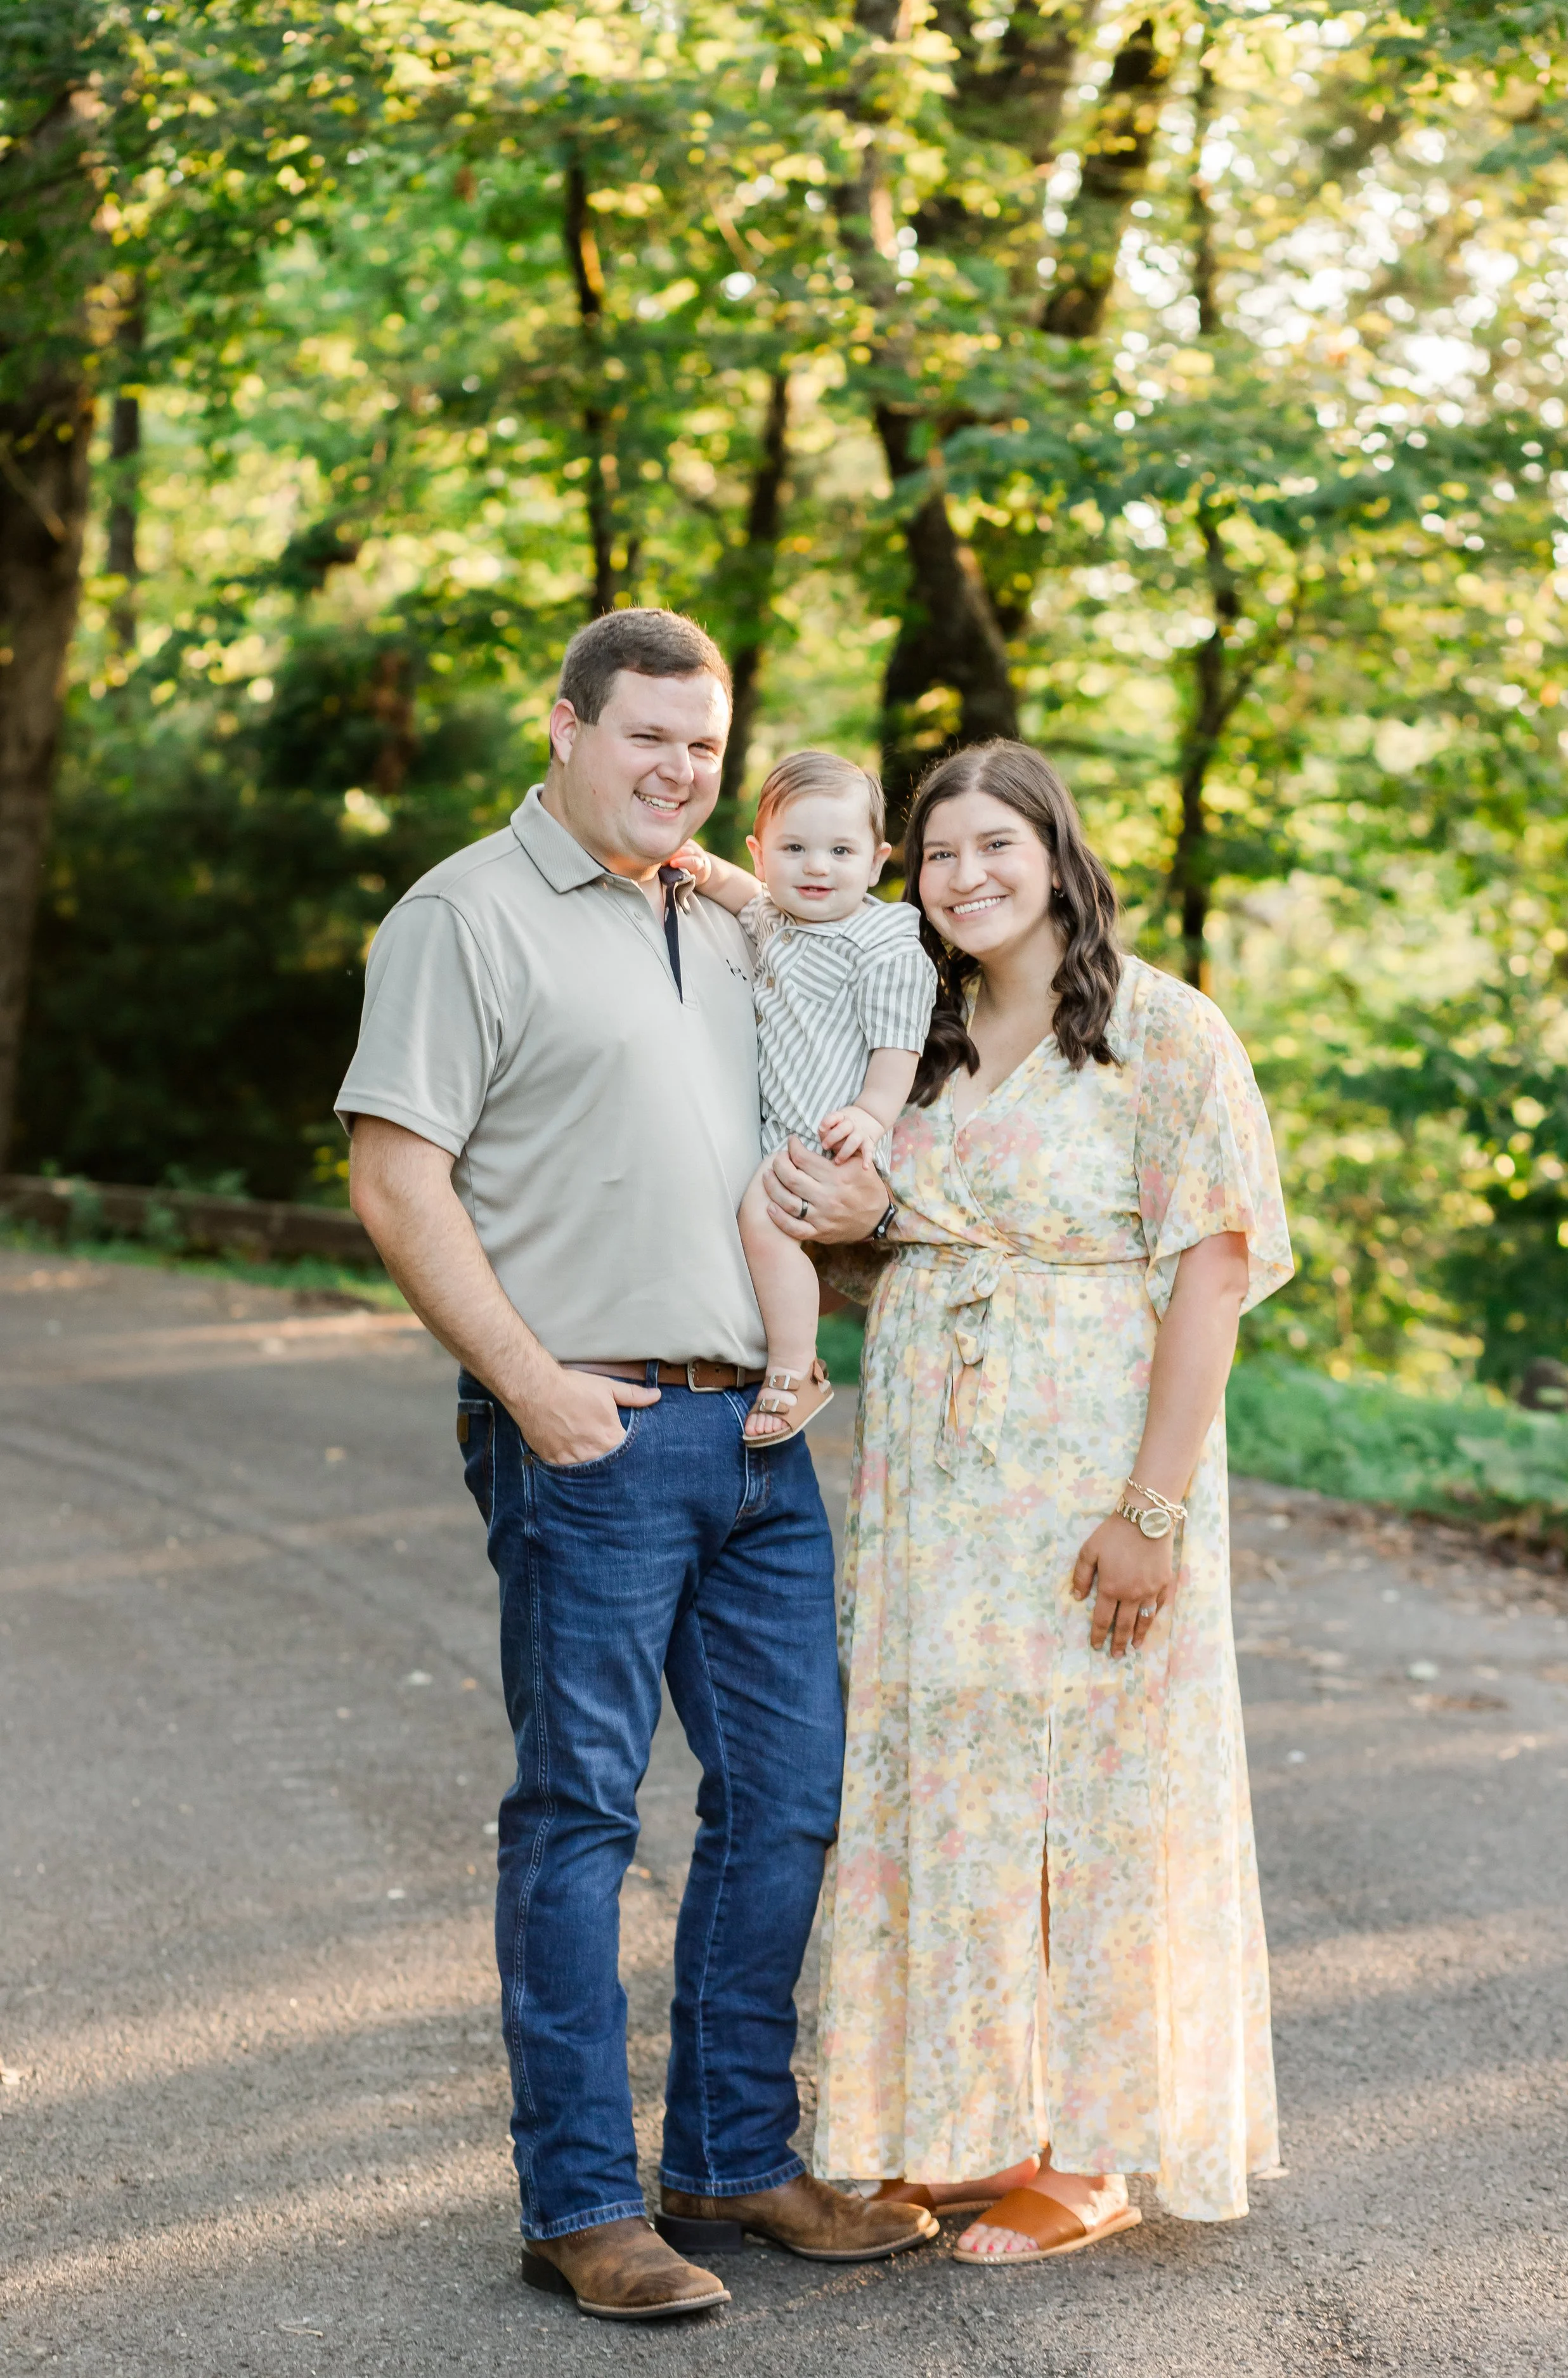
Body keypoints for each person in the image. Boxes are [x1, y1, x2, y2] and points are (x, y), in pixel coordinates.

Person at [335, 609, 934, 2323]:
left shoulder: (733, 916)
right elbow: (395, 1177)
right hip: (587, 1427)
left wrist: (853, 1207)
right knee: (584, 1809)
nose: (678, 769)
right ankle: (584, 2199)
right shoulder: (463, 914)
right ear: (567, 723)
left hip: (755, 1429)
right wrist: (531, 1388)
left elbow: (828, 1094)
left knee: (788, 1794)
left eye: (705, 746)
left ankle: (733, 2154)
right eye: (647, 736)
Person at [774, 738, 1294, 2264]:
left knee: (1095, 1790)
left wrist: (1152, 1508)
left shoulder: (1162, 1031)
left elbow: (1212, 1271)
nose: (966, 875)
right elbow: (879, 1240)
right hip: (935, 1500)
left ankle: (1093, 2149)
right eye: (938, 853)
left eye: (995, 843)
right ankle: (984, 2118)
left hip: (1090, 1482)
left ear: (1057, 854)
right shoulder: (917, 1040)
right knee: (959, 1787)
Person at [675, 750, 936, 1446]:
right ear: (761, 855)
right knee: (755, 1232)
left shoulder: (882, 944)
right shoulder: (776, 917)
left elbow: (897, 1045)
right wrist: (704, 869)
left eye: (840, 851)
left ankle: (795, 1369)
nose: (817, 867)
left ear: (876, 862)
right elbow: (741, 896)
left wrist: (871, 1115)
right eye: (794, 849)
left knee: (762, 1222)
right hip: (784, 1126)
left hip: (833, 1132)